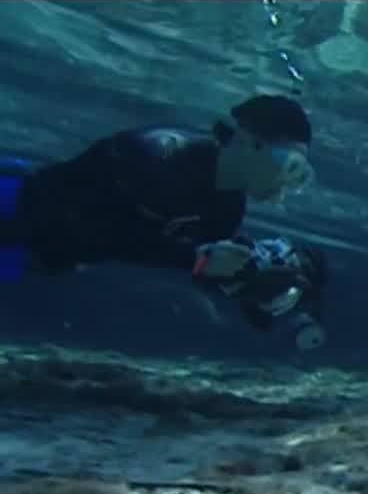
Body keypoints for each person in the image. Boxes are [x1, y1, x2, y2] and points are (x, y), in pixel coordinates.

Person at [0, 93, 328, 350]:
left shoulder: (228, 208)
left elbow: (200, 267)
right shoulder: (156, 155)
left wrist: (254, 285)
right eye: (288, 165)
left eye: (299, 176)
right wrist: (198, 259)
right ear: (245, 141)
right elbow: (97, 231)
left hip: (30, 255)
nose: (285, 185)